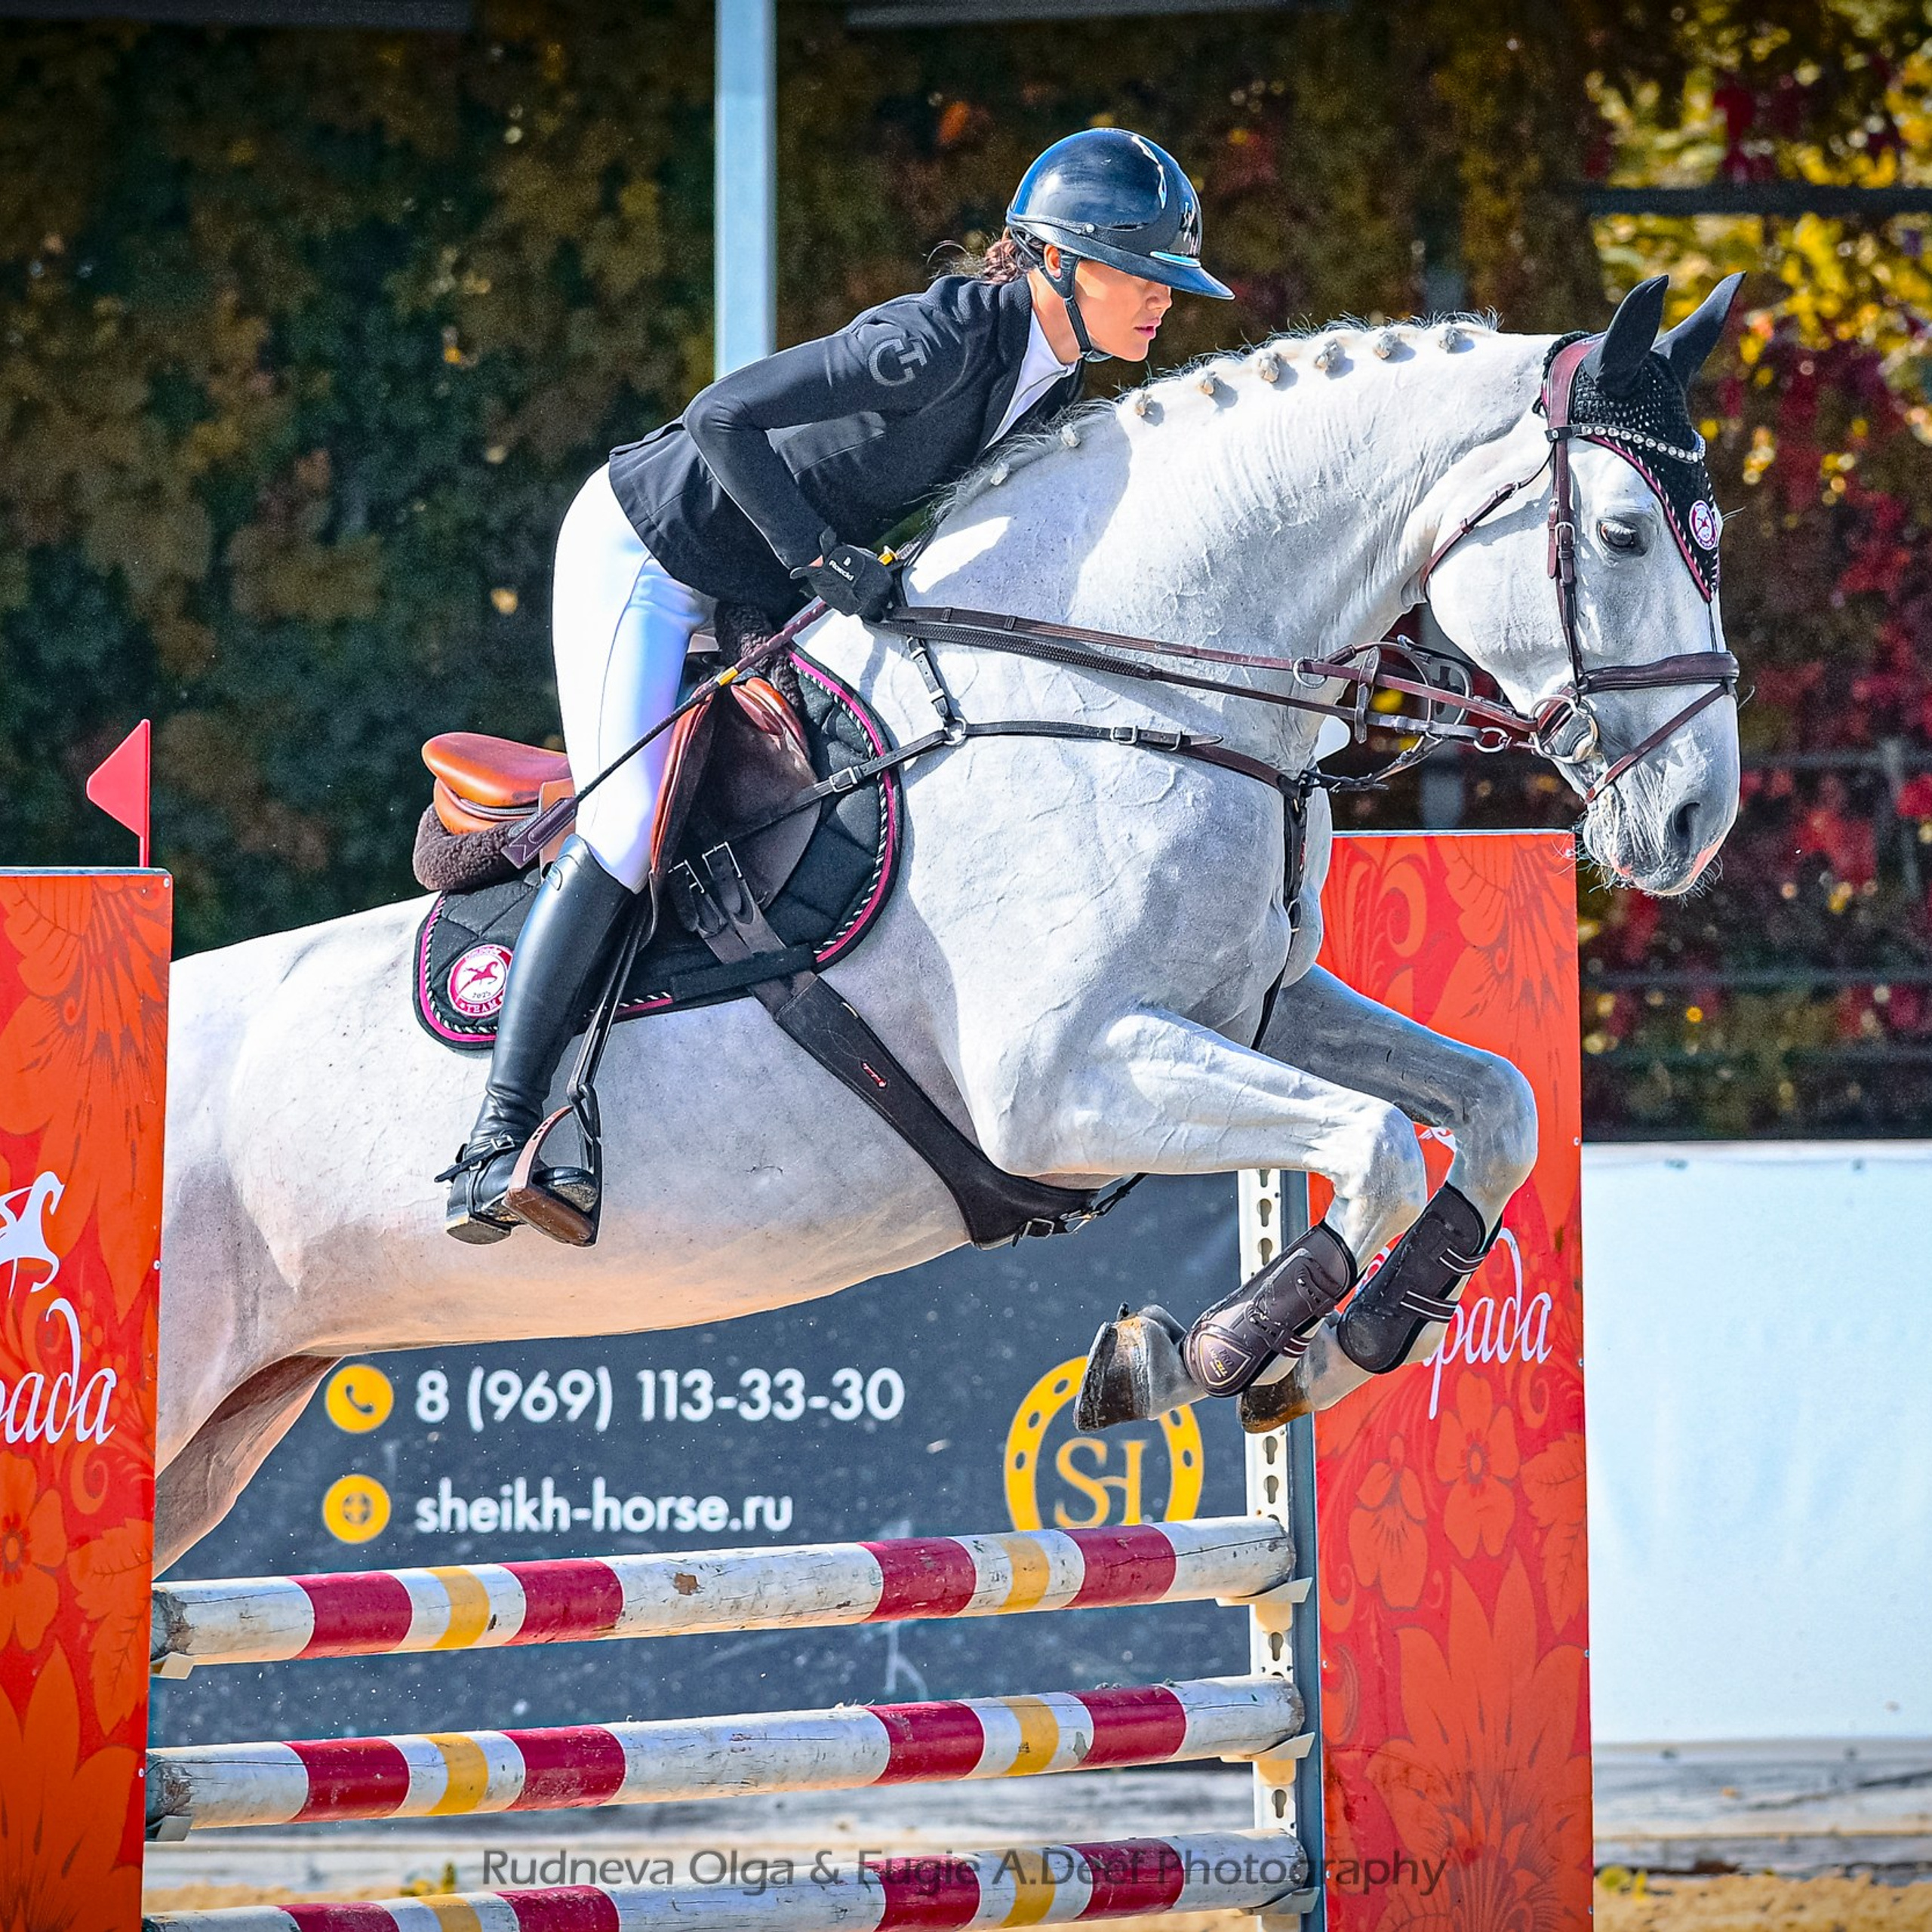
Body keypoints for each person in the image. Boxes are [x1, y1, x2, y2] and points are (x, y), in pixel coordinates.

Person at [441, 128, 1234, 1245]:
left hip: (756, 578)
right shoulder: (939, 339)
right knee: (626, 826)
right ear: (1057, 261)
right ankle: (496, 1139)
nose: (1165, 302)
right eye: (1145, 276)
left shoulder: (1053, 390)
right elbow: (722, 417)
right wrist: (822, 559)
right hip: (652, 551)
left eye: (1172, 281)